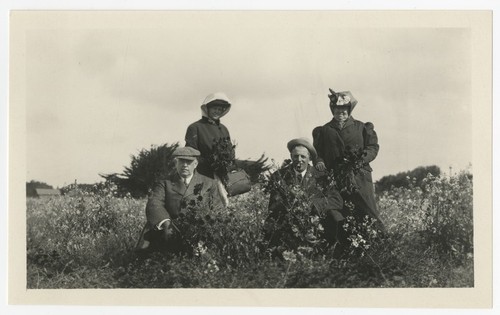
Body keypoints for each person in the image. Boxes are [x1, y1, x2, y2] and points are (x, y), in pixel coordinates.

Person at [135, 146, 225, 253]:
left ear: (195, 164)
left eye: (189, 162)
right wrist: (166, 223)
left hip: (199, 231)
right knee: (148, 256)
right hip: (170, 229)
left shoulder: (209, 183)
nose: (185, 165)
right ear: (176, 163)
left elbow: (217, 209)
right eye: (182, 161)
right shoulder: (165, 182)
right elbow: (154, 203)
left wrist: (204, 233)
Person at [313, 88, 382, 223]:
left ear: (349, 110)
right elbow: (317, 152)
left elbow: (372, 147)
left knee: (367, 213)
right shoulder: (324, 130)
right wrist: (319, 161)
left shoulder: (362, 127)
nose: (341, 112)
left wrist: (361, 160)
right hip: (334, 179)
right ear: (332, 110)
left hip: (359, 178)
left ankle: (376, 242)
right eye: (337, 109)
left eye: (344, 108)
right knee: (337, 212)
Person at [264, 138, 344, 248]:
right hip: (289, 220)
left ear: (310, 158)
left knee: (335, 216)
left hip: (316, 220)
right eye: (296, 156)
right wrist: (294, 206)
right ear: (291, 156)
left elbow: (337, 200)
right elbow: (273, 205)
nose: (299, 160)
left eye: (303, 157)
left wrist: (314, 204)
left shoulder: (322, 176)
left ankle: (332, 250)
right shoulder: (279, 176)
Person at [185, 92, 232, 178]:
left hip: (222, 175)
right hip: (202, 174)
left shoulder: (224, 129)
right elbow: (191, 154)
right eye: (214, 108)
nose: (217, 111)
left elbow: (230, 152)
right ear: (207, 109)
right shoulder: (195, 127)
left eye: (220, 109)